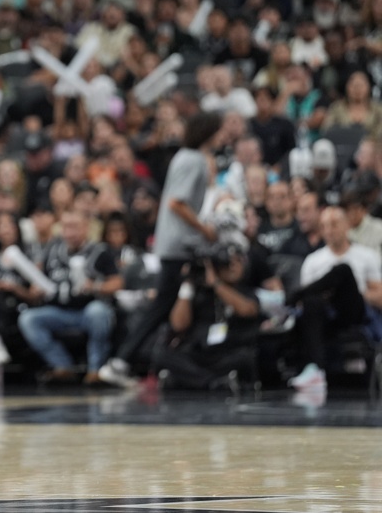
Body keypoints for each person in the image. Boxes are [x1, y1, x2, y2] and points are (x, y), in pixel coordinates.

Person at [99, 111, 222, 386]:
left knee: (166, 305)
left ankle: (135, 361)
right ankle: (123, 360)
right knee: (163, 306)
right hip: (180, 244)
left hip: (172, 242)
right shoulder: (193, 160)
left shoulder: (184, 156)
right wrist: (205, 230)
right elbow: (177, 203)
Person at [17, 209, 122, 385]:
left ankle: (96, 369)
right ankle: (62, 366)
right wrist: (36, 288)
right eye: (66, 227)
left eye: (75, 227)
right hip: (59, 311)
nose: (70, 233)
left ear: (86, 228)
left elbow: (117, 283)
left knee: (98, 312)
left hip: (88, 310)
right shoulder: (52, 250)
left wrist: (95, 286)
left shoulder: (100, 251)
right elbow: (39, 278)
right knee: (28, 319)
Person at [289, 207, 382, 391]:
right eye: (324, 226)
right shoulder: (313, 260)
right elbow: (304, 305)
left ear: (347, 225)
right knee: (312, 301)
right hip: (325, 316)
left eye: (334, 224)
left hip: (354, 312)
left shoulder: (367, 256)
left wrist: (352, 291)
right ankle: (317, 370)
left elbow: (380, 297)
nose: (329, 230)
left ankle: (295, 294)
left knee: (343, 270)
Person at [152, 234, 261, 391]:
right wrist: (188, 285)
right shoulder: (199, 292)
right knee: (162, 354)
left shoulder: (246, 291)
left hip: (228, 352)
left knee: (246, 358)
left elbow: (247, 310)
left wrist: (216, 283)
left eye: (238, 261)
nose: (232, 266)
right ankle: (213, 382)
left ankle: (188, 380)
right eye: (228, 263)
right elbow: (178, 325)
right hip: (199, 352)